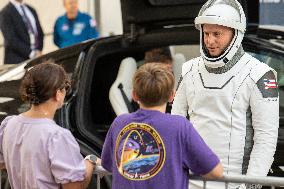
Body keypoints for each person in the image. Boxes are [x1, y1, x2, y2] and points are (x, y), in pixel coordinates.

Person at [171, 0, 279, 188]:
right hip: (192, 182)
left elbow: (266, 138)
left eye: (217, 34)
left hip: (236, 183)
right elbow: (176, 126)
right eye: (206, 33)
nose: (210, 40)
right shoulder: (189, 70)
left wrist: (251, 185)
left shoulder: (259, 74)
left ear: (235, 34)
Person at [101, 63, 223, 189]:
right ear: (172, 96)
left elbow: (108, 164)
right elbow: (216, 171)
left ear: (134, 95)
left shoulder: (119, 123)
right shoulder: (179, 126)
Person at [0, 61, 99, 189]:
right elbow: (75, 186)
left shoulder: (9, 124)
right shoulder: (57, 136)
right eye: (65, 88)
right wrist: (90, 161)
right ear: (58, 94)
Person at [0, 0, 44, 64]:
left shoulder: (31, 9)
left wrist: (38, 50)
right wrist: (32, 53)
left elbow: (39, 33)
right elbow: (11, 39)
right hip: (17, 62)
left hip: (36, 59)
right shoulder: (5, 13)